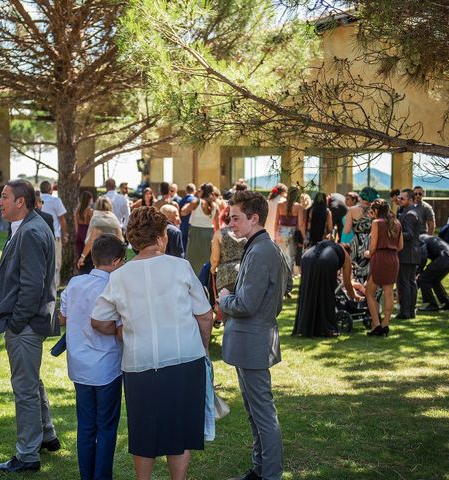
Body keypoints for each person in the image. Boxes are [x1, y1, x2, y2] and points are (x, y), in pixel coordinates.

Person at [91, 207, 213, 480]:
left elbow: (98, 320)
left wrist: (120, 332)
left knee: (143, 431)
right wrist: (204, 347)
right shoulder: (180, 267)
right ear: (161, 237)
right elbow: (205, 315)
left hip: (140, 362)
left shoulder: (119, 275)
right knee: (179, 432)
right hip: (185, 358)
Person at [217, 191, 289, 480]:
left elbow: (246, 304)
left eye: (235, 217)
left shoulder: (261, 251)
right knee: (255, 413)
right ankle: (259, 470)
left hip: (253, 342)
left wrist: (224, 298)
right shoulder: (259, 246)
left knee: (263, 414)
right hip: (252, 340)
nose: (230, 223)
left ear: (254, 218)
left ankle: (269, 475)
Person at [0, 180, 59, 473]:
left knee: (24, 388)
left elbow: (32, 286)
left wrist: (16, 323)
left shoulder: (30, 231)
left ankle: (27, 454)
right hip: (30, 321)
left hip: (26, 323)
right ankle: (47, 435)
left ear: (21, 202)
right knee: (31, 380)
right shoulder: (28, 225)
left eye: (4, 197)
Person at [59, 234, 126, 480]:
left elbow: (63, 317)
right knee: (107, 426)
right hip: (107, 365)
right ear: (118, 261)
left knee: (86, 425)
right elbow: (118, 327)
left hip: (80, 364)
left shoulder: (75, 284)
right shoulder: (115, 287)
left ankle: (87, 476)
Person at [293, 241, 361, 338]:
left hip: (306, 258)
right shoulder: (346, 256)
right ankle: (327, 329)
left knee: (309, 291)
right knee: (326, 293)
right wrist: (353, 295)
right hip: (325, 261)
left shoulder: (327, 245)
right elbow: (347, 282)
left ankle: (305, 327)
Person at [365, 199, 403, 336]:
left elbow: (373, 246)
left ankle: (376, 324)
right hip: (393, 258)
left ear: (376, 210)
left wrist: (368, 253)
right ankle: (385, 324)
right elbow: (400, 246)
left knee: (369, 292)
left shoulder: (376, 223)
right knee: (388, 292)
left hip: (379, 257)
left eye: (372, 210)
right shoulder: (397, 223)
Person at [78, 197, 125, 272]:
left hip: (98, 256)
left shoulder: (96, 218)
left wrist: (82, 257)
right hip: (114, 255)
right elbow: (121, 240)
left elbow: (91, 240)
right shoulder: (114, 219)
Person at [396, 189, 422, 320]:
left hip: (407, 252)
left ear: (411, 200)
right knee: (410, 281)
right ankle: (410, 311)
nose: (399, 200)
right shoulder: (410, 212)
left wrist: (393, 233)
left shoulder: (410, 214)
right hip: (412, 252)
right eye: (399, 198)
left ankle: (405, 312)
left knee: (404, 282)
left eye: (402, 198)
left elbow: (409, 234)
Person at [417, 234, 449, 312]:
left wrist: (418, 272)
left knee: (422, 279)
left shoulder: (419, 239)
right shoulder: (426, 237)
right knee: (435, 281)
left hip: (444, 257)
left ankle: (432, 304)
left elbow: (423, 256)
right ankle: (447, 303)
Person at [182, 183, 218, 275]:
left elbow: (183, 212)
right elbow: (217, 226)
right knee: (206, 259)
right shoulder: (215, 205)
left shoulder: (196, 202)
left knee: (193, 260)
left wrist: (194, 197)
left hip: (196, 233)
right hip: (209, 234)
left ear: (201, 191)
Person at [344, 186, 377, 282]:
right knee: (371, 270)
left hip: (357, 243)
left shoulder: (352, 210)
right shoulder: (375, 210)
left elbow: (346, 231)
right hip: (372, 241)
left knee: (356, 270)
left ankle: (358, 293)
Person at [39, 180, 68, 288]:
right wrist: (65, 234)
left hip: (40, 235)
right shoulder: (56, 200)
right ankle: (54, 286)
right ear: (51, 190)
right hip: (54, 235)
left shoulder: (38, 200)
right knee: (56, 263)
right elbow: (62, 219)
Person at [210, 211, 246, 291]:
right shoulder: (246, 232)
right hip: (245, 273)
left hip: (225, 276)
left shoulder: (219, 233)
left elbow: (215, 260)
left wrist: (212, 269)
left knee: (226, 302)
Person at [274, 186, 305, 273]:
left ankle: (281, 279)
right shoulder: (298, 207)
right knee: (291, 258)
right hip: (292, 233)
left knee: (281, 256)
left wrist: (276, 235)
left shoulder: (280, 205)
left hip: (281, 233)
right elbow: (301, 225)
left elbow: (276, 223)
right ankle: (288, 279)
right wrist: (304, 237)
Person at [74, 191, 94, 259]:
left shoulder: (77, 210)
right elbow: (92, 224)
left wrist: (78, 233)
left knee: (80, 255)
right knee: (87, 255)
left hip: (79, 232)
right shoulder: (90, 211)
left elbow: (76, 225)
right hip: (87, 232)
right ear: (89, 199)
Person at [178, 183, 197, 252]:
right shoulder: (195, 200)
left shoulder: (181, 200)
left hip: (182, 225)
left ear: (186, 191)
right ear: (194, 191)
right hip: (192, 225)